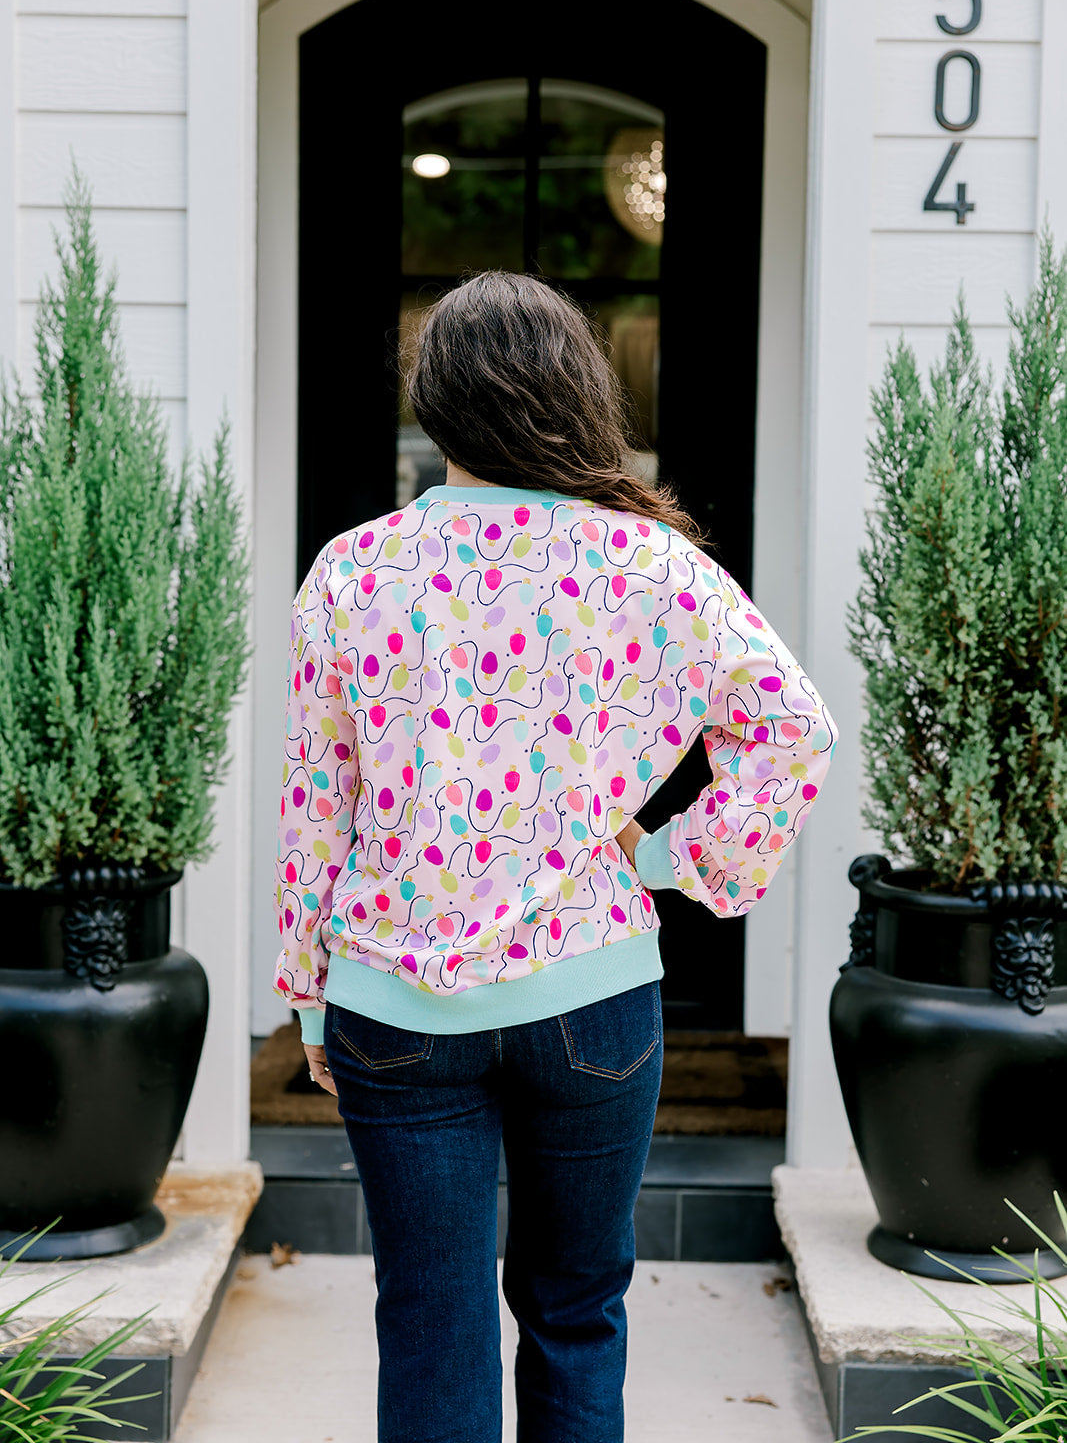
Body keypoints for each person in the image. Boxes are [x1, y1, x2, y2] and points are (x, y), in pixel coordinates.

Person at [274, 272, 837, 1443]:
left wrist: (311, 1004)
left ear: (434, 404)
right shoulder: (655, 568)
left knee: (428, 1316)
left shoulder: (351, 569)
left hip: (393, 1001)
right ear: (571, 392)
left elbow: (315, 806)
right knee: (577, 1311)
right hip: (591, 997)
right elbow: (793, 731)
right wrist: (670, 857)